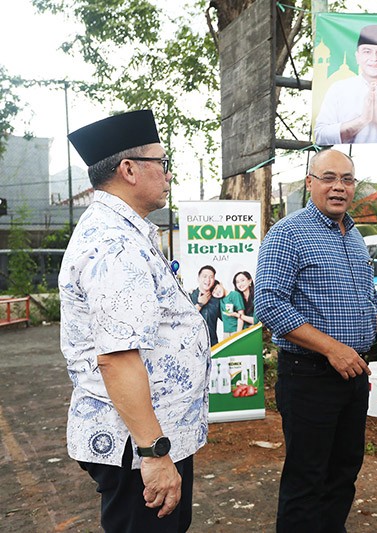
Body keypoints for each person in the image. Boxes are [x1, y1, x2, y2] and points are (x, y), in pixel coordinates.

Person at [59, 110, 210, 532]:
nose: (167, 175)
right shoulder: (113, 244)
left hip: (147, 438)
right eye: (161, 164)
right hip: (137, 445)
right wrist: (154, 453)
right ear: (129, 170)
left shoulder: (125, 231)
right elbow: (118, 358)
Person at [254, 148, 377, 532]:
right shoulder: (288, 233)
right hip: (310, 375)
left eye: (347, 179)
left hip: (353, 373)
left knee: (343, 471)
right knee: (307, 479)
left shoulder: (355, 236)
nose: (339, 187)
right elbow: (269, 303)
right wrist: (332, 348)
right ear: (310, 183)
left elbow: (369, 300)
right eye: (328, 177)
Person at [190, 265, 221, 345]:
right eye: (204, 276)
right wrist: (200, 304)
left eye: (211, 277)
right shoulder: (189, 296)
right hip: (193, 345)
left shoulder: (217, 299)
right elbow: (185, 319)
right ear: (198, 279)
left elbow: (228, 318)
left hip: (212, 345)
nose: (208, 280)